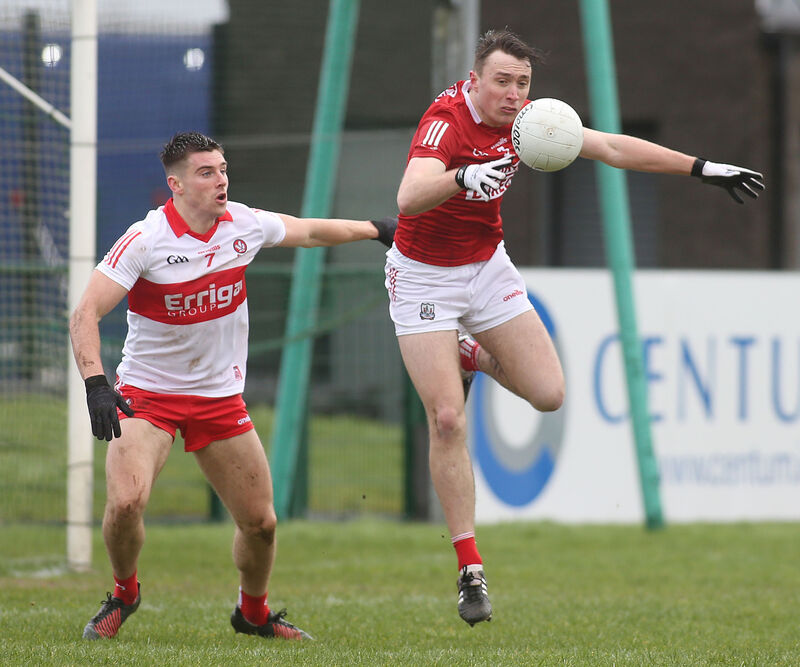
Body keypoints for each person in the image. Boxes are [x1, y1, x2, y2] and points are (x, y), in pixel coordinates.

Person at [386, 28, 764, 627]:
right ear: (475, 79)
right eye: (502, 82)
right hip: (424, 277)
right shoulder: (446, 120)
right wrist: (461, 177)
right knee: (449, 418)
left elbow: (611, 147)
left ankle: (468, 355)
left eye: (523, 83)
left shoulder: (531, 120)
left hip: (485, 268)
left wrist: (703, 168)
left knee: (549, 393)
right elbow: (408, 196)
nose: (513, 94)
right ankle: (469, 568)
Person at [69, 131, 396, 641]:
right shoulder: (146, 240)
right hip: (148, 395)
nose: (220, 180)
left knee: (261, 524)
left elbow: (308, 231)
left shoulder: (241, 223)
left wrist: (377, 229)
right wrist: (95, 384)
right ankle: (124, 592)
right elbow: (85, 312)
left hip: (218, 397)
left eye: (222, 169)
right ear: (175, 185)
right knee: (127, 502)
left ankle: (254, 614)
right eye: (207, 172)